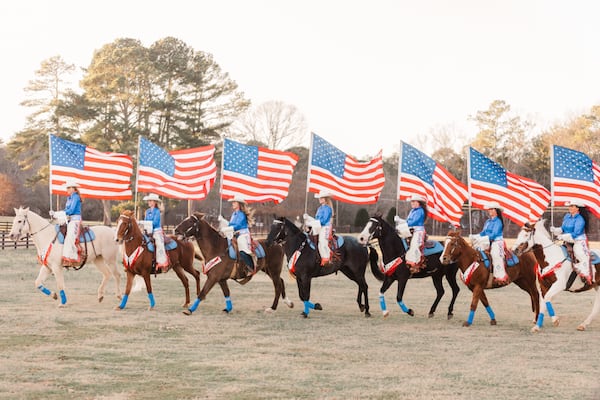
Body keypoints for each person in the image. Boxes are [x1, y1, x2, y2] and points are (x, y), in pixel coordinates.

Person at [551, 201, 593, 285]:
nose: (569, 207)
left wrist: (563, 236)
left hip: (578, 240)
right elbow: (563, 228)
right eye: (569, 206)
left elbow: (576, 233)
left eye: (572, 206)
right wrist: (556, 230)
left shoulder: (580, 219)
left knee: (580, 254)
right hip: (567, 240)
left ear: (577, 208)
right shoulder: (567, 216)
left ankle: (586, 274)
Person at [472, 202, 509, 285]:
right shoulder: (488, 221)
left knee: (495, 254)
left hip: (496, 241)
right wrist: (476, 236)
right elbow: (483, 232)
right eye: (489, 209)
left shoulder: (498, 221)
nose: (490, 211)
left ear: (496, 211)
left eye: (492, 209)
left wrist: (484, 238)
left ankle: (500, 276)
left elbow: (494, 234)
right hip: (486, 241)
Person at [219, 196, 256, 274]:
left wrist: (226, 229)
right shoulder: (234, 214)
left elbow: (238, 226)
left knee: (242, 249)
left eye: (234, 202)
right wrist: (223, 220)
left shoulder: (241, 214)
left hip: (242, 235)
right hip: (235, 234)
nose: (232, 204)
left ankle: (251, 266)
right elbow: (231, 224)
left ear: (239, 204)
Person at [304, 191, 334, 266]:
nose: (319, 199)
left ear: (325, 199)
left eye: (321, 198)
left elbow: (323, 221)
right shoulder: (320, 208)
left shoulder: (328, 208)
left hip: (325, 227)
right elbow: (316, 219)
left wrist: (311, 222)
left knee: (322, 241)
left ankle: (326, 258)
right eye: (319, 198)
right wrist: (308, 218)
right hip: (318, 226)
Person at [57, 180, 82, 264]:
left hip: (75, 220)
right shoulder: (69, 197)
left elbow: (71, 210)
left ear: (73, 188)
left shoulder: (76, 197)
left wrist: (62, 213)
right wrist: (58, 213)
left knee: (70, 236)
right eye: (66, 188)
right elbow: (67, 209)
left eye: (68, 188)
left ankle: (71, 257)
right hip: (69, 219)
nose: (66, 189)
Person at [143, 193, 168, 270]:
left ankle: (162, 263)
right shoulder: (147, 211)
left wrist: (147, 223)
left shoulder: (157, 211)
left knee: (159, 244)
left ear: (154, 202)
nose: (149, 202)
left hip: (156, 231)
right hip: (147, 230)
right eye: (148, 201)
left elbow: (156, 222)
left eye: (150, 201)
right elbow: (145, 220)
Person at [405, 194, 427, 271]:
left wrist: (404, 223)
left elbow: (413, 221)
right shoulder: (412, 211)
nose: (412, 203)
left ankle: (416, 263)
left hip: (418, 231)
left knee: (415, 245)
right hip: (411, 230)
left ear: (419, 203)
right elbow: (408, 221)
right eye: (412, 202)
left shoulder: (420, 211)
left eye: (414, 202)